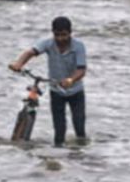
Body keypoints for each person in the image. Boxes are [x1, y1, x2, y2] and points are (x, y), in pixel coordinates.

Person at [8, 16, 88, 148]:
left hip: (76, 92)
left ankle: (80, 155)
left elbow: (81, 70)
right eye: (57, 35)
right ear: (53, 33)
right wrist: (19, 64)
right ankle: (58, 155)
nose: (60, 38)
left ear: (70, 33)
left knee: (79, 127)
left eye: (64, 35)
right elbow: (30, 52)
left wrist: (71, 79)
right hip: (56, 91)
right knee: (59, 130)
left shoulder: (78, 46)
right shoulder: (48, 43)